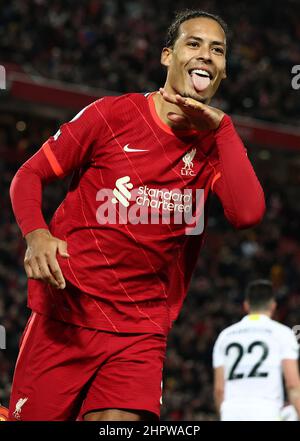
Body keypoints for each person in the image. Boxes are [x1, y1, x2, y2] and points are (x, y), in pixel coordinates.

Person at [9, 9, 265, 421]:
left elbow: (248, 213)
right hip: (66, 317)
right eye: (193, 44)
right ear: (167, 55)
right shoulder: (113, 115)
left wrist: (225, 130)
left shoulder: (216, 145)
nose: (205, 56)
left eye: (217, 50)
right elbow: (29, 174)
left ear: (224, 69)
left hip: (140, 331)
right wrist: (36, 233)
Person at [213, 280, 300, 421]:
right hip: (266, 410)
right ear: (273, 306)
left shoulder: (225, 336)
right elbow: (292, 385)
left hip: (231, 411)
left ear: (246, 305)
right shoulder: (282, 333)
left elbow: (219, 390)